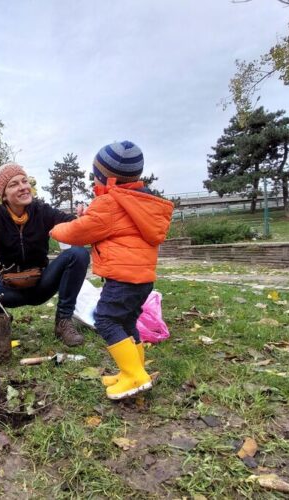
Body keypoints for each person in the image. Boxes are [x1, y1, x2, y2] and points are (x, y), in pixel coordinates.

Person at [51, 141, 173, 400]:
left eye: (95, 175)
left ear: (108, 178)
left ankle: (135, 377)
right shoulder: (143, 202)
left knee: (106, 319)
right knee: (127, 321)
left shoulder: (109, 203)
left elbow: (79, 232)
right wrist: (89, 215)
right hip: (142, 280)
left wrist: (54, 229)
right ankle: (133, 369)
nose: (94, 180)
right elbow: (109, 225)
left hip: (122, 280)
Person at [0, 162, 90, 347]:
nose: (23, 187)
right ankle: (2, 318)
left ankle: (63, 321)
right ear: (4, 195)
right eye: (14, 184)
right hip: (8, 288)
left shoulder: (42, 211)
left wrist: (83, 219)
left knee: (78, 254)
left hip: (41, 283)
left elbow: (74, 225)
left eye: (25, 181)